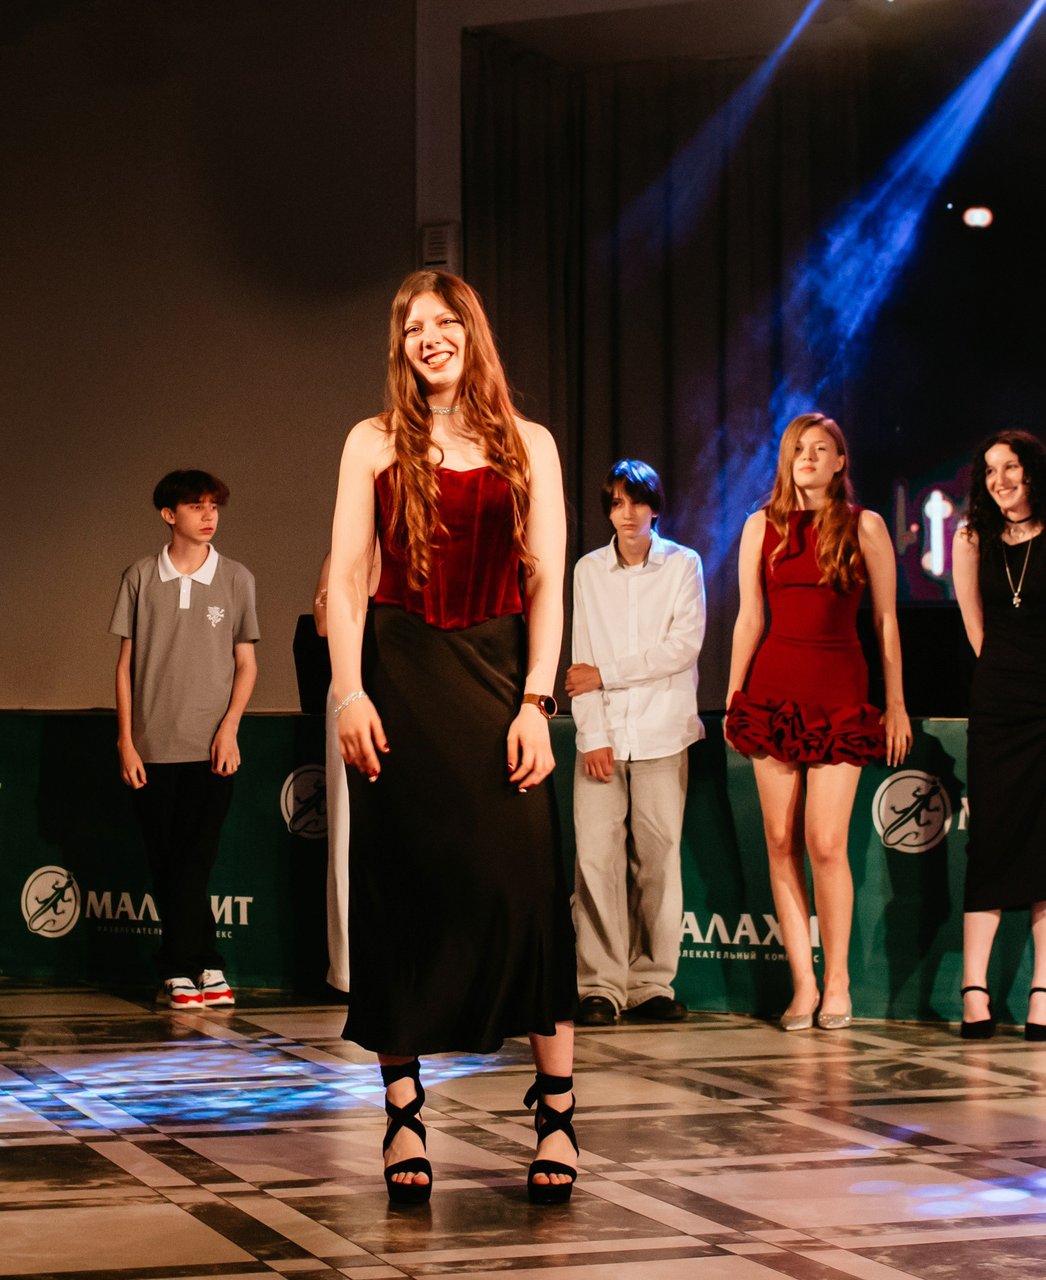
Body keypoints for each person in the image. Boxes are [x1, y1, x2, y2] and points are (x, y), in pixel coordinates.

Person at [324, 269, 581, 1206]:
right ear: (400, 346)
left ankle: (557, 1109)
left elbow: (546, 581)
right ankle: (403, 1111)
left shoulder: (529, 443)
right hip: (398, 684)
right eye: (412, 326)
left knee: (528, 888)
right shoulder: (370, 440)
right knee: (400, 891)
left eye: (444, 321)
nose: (428, 336)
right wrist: (349, 693)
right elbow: (347, 578)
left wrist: (537, 702)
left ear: (472, 332)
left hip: (499, 681)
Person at [725, 413, 912, 1032]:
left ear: (840, 461)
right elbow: (750, 617)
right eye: (798, 448)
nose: (807, 456)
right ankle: (802, 985)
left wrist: (895, 703)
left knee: (826, 843)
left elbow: (885, 621)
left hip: (839, 692)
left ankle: (838, 982)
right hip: (772, 690)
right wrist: (735, 694)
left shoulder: (865, 525)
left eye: (820, 448)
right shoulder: (761, 526)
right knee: (780, 841)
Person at [951, 431, 1046, 1042]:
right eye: (989, 471)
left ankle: (1043, 992)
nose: (1000, 480)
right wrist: (1005, 681)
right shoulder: (969, 540)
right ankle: (974, 989)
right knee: (990, 843)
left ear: (1033, 473)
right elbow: (975, 627)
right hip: (997, 707)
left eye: (1010, 467)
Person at [109, 470, 260, 1011]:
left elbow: (246, 664)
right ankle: (206, 966)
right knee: (168, 860)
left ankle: (179, 967)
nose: (208, 514)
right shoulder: (139, 576)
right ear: (169, 515)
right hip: (151, 747)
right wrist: (126, 741)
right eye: (196, 506)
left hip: (212, 746)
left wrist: (230, 728)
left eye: (213, 505)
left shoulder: (237, 577)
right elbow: (125, 666)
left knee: (195, 858)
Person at [566, 460, 706, 1028]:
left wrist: (608, 674)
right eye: (617, 503)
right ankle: (600, 985)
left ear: (655, 507)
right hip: (602, 737)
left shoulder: (683, 564)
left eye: (637, 502)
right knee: (596, 862)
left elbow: (683, 647)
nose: (627, 514)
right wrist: (594, 733)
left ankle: (651, 983)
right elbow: (579, 663)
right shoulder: (588, 570)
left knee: (659, 863)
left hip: (662, 732)